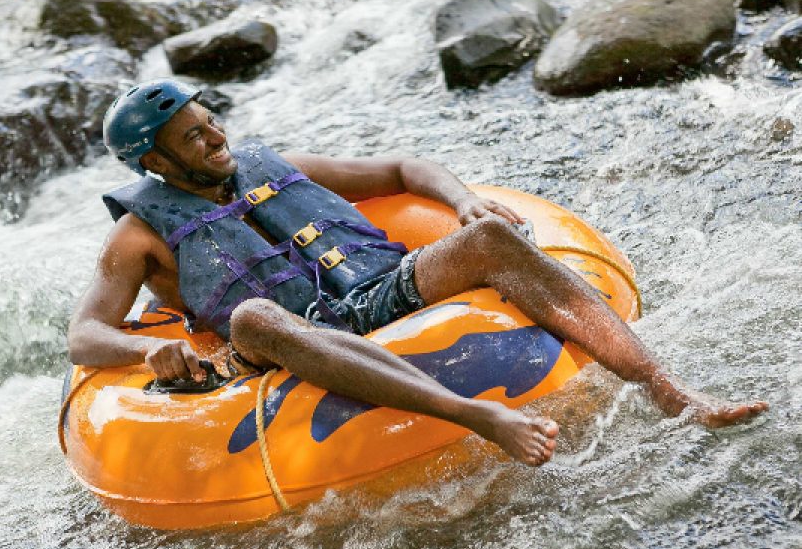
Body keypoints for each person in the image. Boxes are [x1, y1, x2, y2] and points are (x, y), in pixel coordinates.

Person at [68, 79, 767, 467]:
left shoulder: (268, 166)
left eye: (211, 121)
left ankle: (668, 389)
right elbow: (85, 334)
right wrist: (145, 348)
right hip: (278, 341)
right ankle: (478, 417)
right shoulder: (136, 236)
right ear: (155, 164)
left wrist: (461, 201)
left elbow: (405, 169)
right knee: (253, 315)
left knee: (492, 237)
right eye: (195, 137)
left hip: (375, 293)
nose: (218, 140)